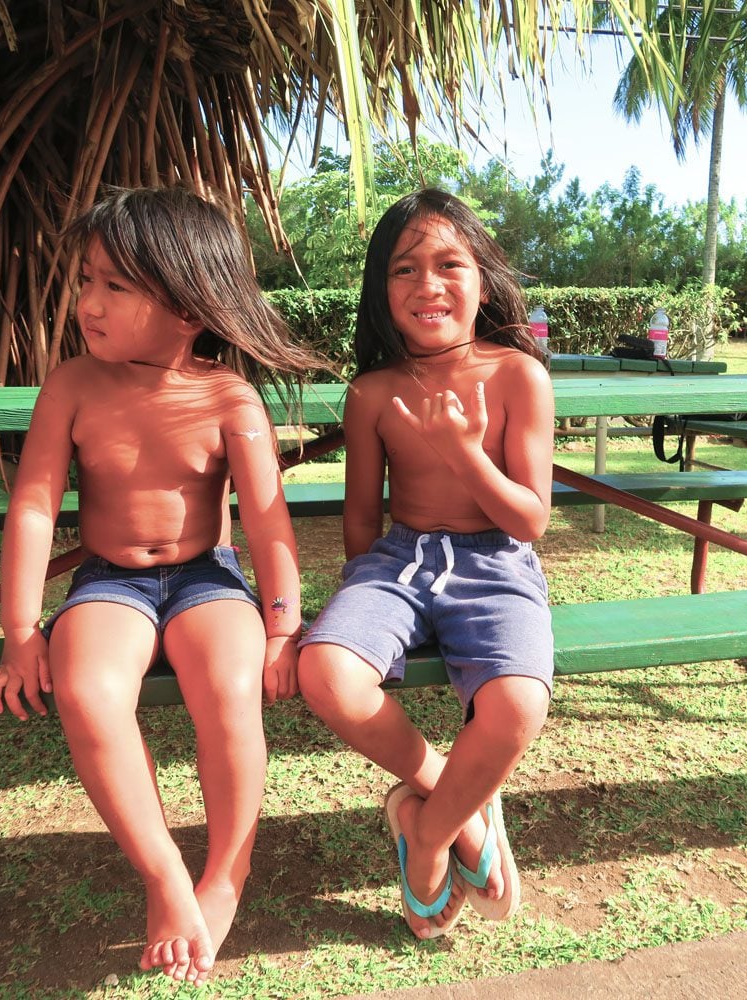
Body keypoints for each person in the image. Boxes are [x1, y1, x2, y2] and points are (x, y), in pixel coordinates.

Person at [0, 186, 325, 984]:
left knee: (229, 687)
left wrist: (280, 626)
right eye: (85, 280)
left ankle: (226, 871)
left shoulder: (226, 396)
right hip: (111, 583)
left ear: (188, 306)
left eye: (113, 286)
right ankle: (167, 876)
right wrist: (23, 631)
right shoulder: (72, 385)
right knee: (88, 691)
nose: (85, 303)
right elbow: (32, 508)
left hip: (208, 578)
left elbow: (268, 525)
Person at [298, 189, 555, 940]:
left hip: (497, 563)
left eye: (448, 264)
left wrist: (463, 456)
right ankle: (456, 804)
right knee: (326, 673)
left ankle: (426, 832)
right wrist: (365, 606)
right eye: (404, 269)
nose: (427, 285)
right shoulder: (372, 391)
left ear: (483, 280)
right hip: (398, 561)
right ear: (382, 289)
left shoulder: (516, 376)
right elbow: (359, 515)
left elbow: (529, 518)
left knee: (516, 707)